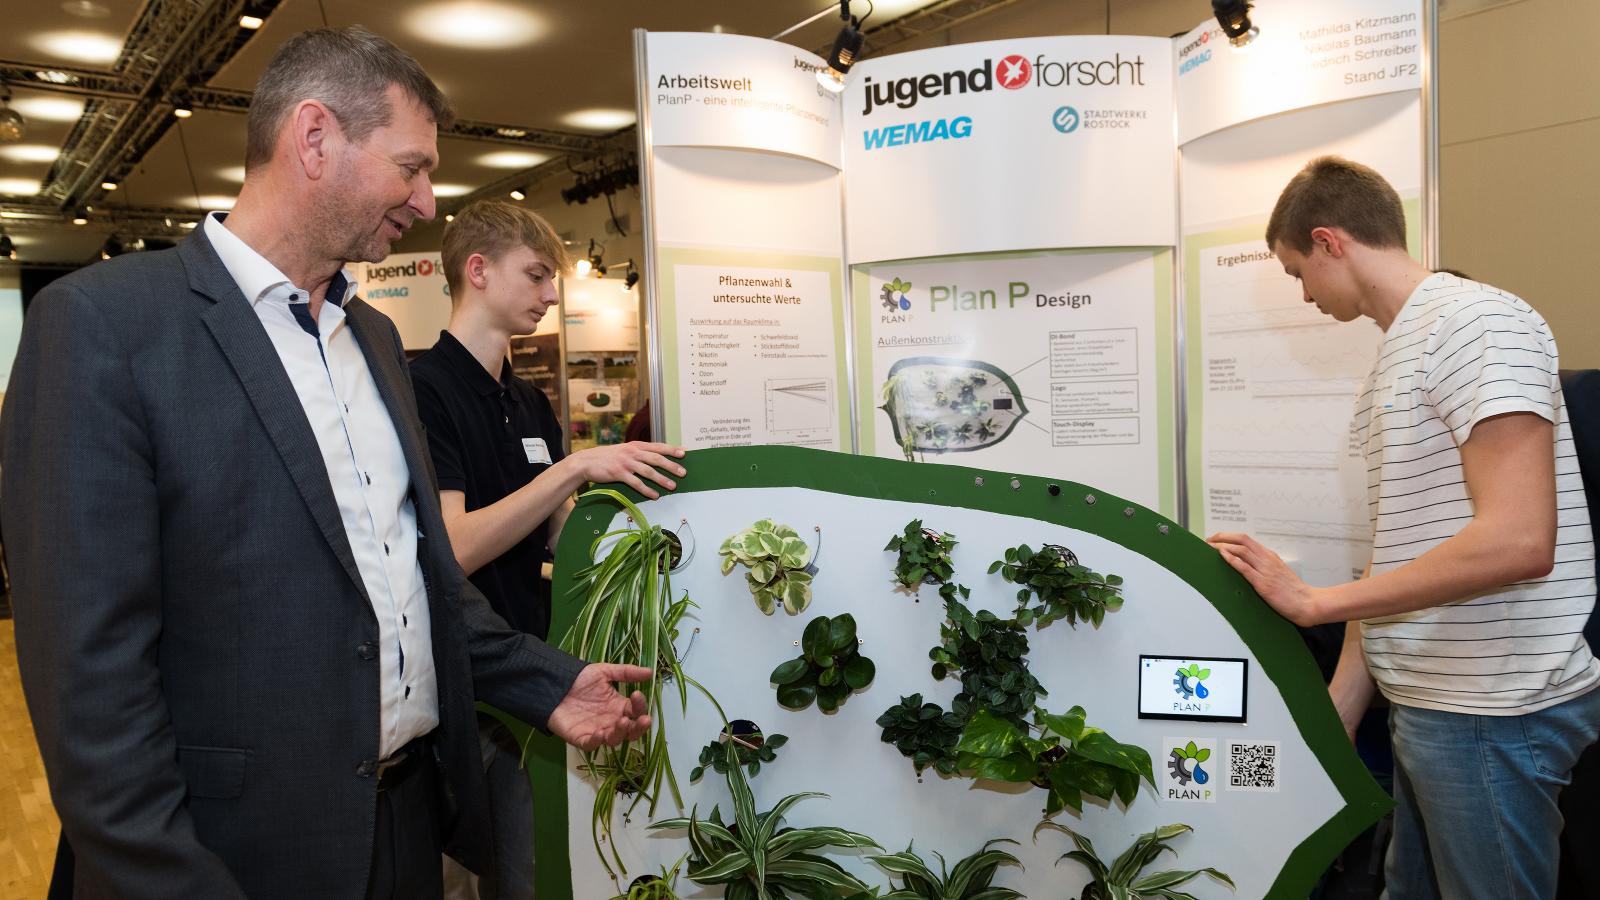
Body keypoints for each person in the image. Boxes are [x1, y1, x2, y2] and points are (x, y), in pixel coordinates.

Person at [0, 26, 657, 899]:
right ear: (314, 138)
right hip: (231, 855)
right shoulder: (106, 327)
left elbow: (411, 574)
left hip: (406, 829)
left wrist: (548, 683)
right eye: (411, 167)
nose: (427, 201)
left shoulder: (376, 339)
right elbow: (90, 681)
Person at [1208, 156, 1600, 899]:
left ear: (1329, 241)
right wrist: (1341, 711)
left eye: (1297, 272)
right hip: (1431, 704)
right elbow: (1392, 562)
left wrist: (1315, 603)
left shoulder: (1478, 323)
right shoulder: (1399, 355)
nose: (1303, 294)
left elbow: (1520, 540)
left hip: (1491, 706)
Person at [409, 199, 685, 899]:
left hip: (538, 672)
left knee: (534, 870)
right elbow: (455, 548)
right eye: (534, 276)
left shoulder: (528, 403)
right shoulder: (423, 390)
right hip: (465, 689)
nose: (551, 295)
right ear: (477, 270)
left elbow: (559, 532)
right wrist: (572, 470)